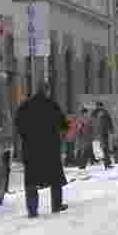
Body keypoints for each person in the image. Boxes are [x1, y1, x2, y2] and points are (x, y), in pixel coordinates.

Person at [15, 81, 69, 218]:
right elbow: (63, 123)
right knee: (55, 178)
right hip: (50, 148)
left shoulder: (25, 106)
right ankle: (56, 205)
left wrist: (26, 137)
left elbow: (18, 124)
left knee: (31, 180)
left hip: (31, 149)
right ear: (47, 90)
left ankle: (32, 210)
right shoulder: (51, 105)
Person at [91, 101, 115, 169]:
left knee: (103, 148)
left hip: (98, 133)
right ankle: (107, 163)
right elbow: (109, 121)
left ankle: (106, 163)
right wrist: (111, 129)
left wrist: (111, 129)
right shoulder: (103, 112)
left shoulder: (94, 113)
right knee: (104, 148)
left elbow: (109, 121)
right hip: (102, 133)